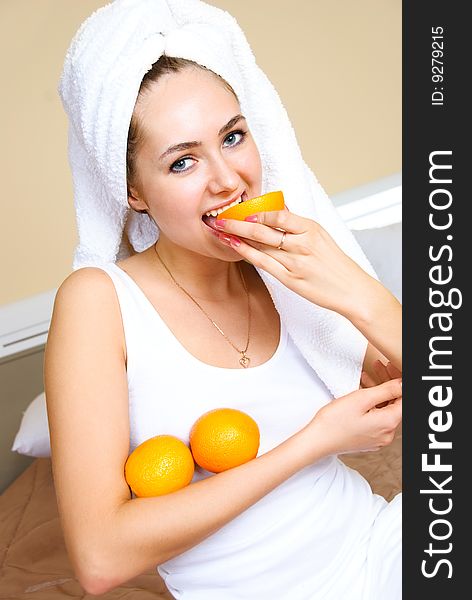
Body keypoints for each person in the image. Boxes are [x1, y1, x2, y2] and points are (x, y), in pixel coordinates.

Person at [44, 1, 402, 598]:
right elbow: (100, 558)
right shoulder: (99, 303)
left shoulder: (286, 273)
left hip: (381, 549)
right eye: (182, 161)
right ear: (131, 189)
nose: (227, 180)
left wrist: (357, 290)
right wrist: (312, 442)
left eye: (232, 137)